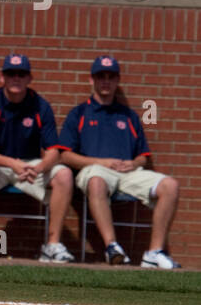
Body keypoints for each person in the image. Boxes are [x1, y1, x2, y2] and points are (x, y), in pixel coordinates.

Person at [53, 55, 182, 269]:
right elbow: (65, 155)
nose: (105, 81)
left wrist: (134, 164)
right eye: (100, 76)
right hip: (95, 170)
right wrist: (101, 163)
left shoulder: (129, 115)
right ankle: (112, 247)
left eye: (111, 76)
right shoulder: (79, 113)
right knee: (96, 180)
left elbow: (143, 155)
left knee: (171, 185)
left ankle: (154, 253)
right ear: (91, 80)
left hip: (128, 172)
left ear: (117, 81)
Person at [0, 53, 75, 263]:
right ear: (2, 77)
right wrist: (13, 164)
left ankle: (52, 245)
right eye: (11, 73)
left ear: (29, 78)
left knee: (65, 174)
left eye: (21, 74)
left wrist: (39, 168)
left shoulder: (41, 106)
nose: (16, 78)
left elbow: (53, 151)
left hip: (30, 167)